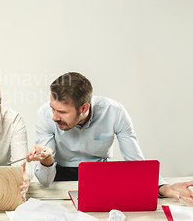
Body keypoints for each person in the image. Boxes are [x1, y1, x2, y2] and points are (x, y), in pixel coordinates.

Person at [27, 72, 193, 204]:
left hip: (100, 177)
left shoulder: (115, 112)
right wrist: (46, 160)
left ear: (84, 107)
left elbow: (135, 161)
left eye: (62, 112)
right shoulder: (45, 115)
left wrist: (162, 187)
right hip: (59, 176)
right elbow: (45, 181)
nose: (54, 117)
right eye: (52, 109)